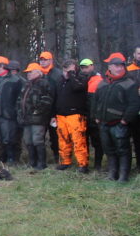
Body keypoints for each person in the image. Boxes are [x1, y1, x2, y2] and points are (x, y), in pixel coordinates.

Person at [92, 53, 140, 182]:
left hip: (119, 123)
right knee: (109, 149)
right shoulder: (102, 83)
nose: (119, 68)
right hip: (103, 122)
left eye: (121, 66)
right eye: (116, 66)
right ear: (110, 67)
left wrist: (125, 120)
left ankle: (123, 175)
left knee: (123, 150)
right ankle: (112, 173)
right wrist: (96, 116)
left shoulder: (129, 83)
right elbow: (96, 101)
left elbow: (134, 104)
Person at [53, 59, 89, 172]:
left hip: (75, 114)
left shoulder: (80, 78)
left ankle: (82, 164)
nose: (66, 73)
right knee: (63, 140)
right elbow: (55, 97)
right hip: (61, 115)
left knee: (78, 140)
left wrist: (72, 74)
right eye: (65, 70)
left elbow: (77, 87)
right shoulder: (59, 81)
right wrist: (53, 114)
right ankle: (65, 162)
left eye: (69, 70)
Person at [18, 63, 54, 170]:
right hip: (26, 118)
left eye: (30, 72)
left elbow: (47, 101)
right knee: (28, 140)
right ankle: (32, 162)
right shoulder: (27, 84)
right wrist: (20, 113)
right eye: (27, 72)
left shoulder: (44, 84)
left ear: (38, 72)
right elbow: (20, 100)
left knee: (37, 140)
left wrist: (37, 112)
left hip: (38, 119)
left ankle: (41, 163)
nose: (28, 74)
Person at [80, 58, 104, 170]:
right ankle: (85, 163)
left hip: (94, 117)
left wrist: (96, 116)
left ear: (92, 66)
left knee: (97, 141)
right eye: (82, 67)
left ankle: (98, 165)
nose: (85, 69)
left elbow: (99, 101)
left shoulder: (98, 80)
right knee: (83, 142)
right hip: (83, 116)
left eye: (87, 67)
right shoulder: (80, 79)